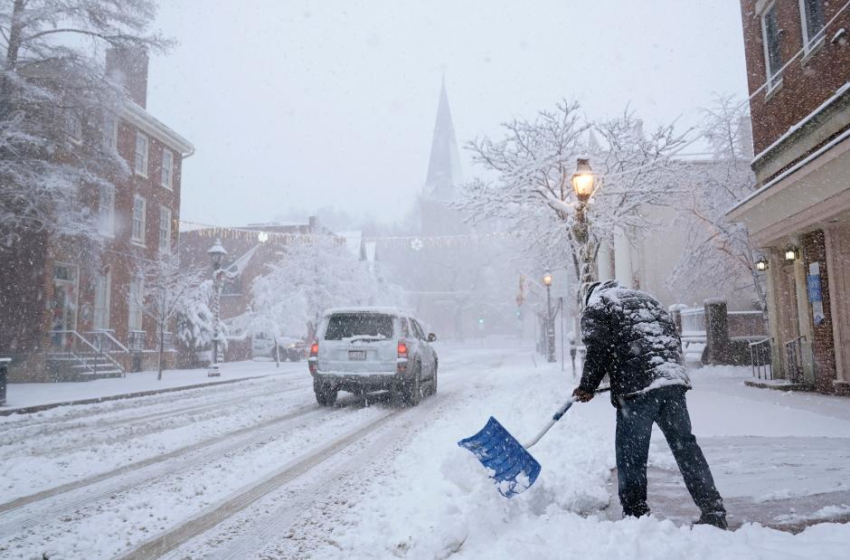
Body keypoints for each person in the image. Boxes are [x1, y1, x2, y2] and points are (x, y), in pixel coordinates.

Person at [572, 280, 727, 530]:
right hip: (672, 379)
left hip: (638, 388)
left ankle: (636, 515)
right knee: (685, 448)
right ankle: (713, 510)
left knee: (631, 453)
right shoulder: (647, 299)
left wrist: (587, 386)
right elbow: (668, 338)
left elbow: (598, 348)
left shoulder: (598, 305)